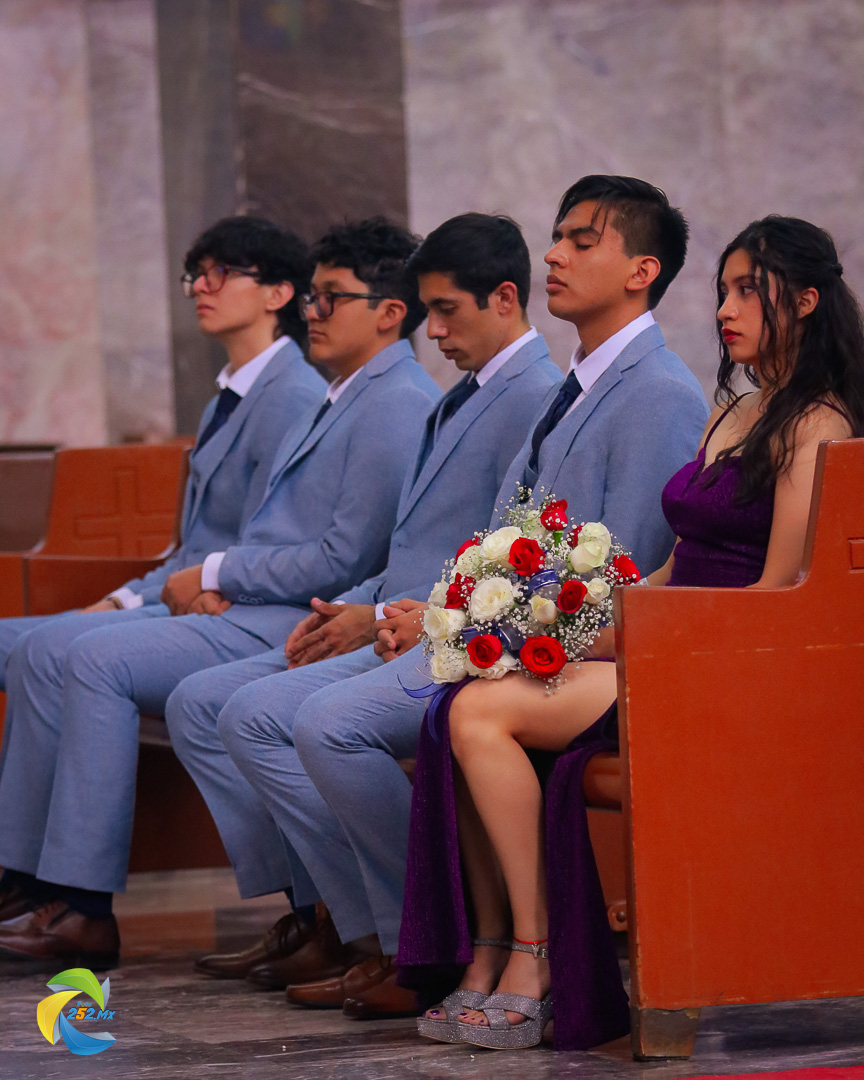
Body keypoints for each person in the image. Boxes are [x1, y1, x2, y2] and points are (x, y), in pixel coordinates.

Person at [214, 176, 708, 1020]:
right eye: (558, 236)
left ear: (641, 270)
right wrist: (433, 610)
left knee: (330, 723)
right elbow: (501, 539)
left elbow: (623, 573)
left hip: (572, 658)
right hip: (496, 635)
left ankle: (433, 938)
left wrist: (460, 624)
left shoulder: (659, 391)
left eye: (582, 240)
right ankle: (431, 936)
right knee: (266, 711)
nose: (555, 254)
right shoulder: (577, 384)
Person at [398, 214, 864, 1052]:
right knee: (465, 694)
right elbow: (677, 566)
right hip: (671, 638)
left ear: (804, 301)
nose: (725, 309)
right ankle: (494, 946)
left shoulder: (817, 424)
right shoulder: (737, 411)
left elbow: (778, 595)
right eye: (722, 290)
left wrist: (648, 638)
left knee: (481, 714)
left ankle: (536, 954)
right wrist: (566, 621)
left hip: (725, 662)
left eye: (748, 291)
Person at [0, 217, 437, 968]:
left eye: (328, 298)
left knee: (91, 661)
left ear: (390, 312)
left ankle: (79, 901)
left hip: (295, 613)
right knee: (54, 650)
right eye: (314, 296)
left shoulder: (383, 399)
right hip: (255, 601)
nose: (311, 312)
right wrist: (185, 583)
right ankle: (304, 910)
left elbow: (345, 554)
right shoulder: (340, 392)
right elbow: (239, 537)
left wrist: (217, 577)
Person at [165, 212, 561, 999]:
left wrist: (401, 617)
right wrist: (351, 609)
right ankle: (348, 923)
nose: (432, 331)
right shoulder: (467, 392)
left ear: (504, 300)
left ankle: (412, 933)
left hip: (448, 631)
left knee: (299, 720)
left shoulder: (531, 394)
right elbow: (405, 543)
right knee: (230, 708)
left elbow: (516, 554)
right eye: (429, 310)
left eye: (445, 311)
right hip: (396, 617)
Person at [0, 215, 324, 674]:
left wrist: (137, 601)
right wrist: (120, 599)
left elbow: (266, 544)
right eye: (198, 275)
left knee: (47, 650)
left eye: (222, 272)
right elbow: (190, 550)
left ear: (278, 293)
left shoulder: (293, 396)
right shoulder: (225, 400)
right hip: (182, 594)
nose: (200, 288)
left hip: (230, 610)